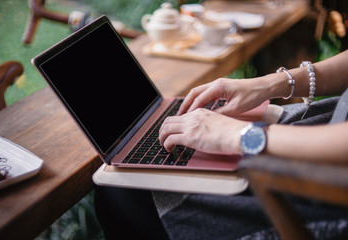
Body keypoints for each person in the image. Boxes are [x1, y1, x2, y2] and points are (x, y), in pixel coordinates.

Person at [95, 50, 348, 240]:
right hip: (323, 126)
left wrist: (239, 135)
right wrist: (272, 83)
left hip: (322, 187)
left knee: (121, 194)